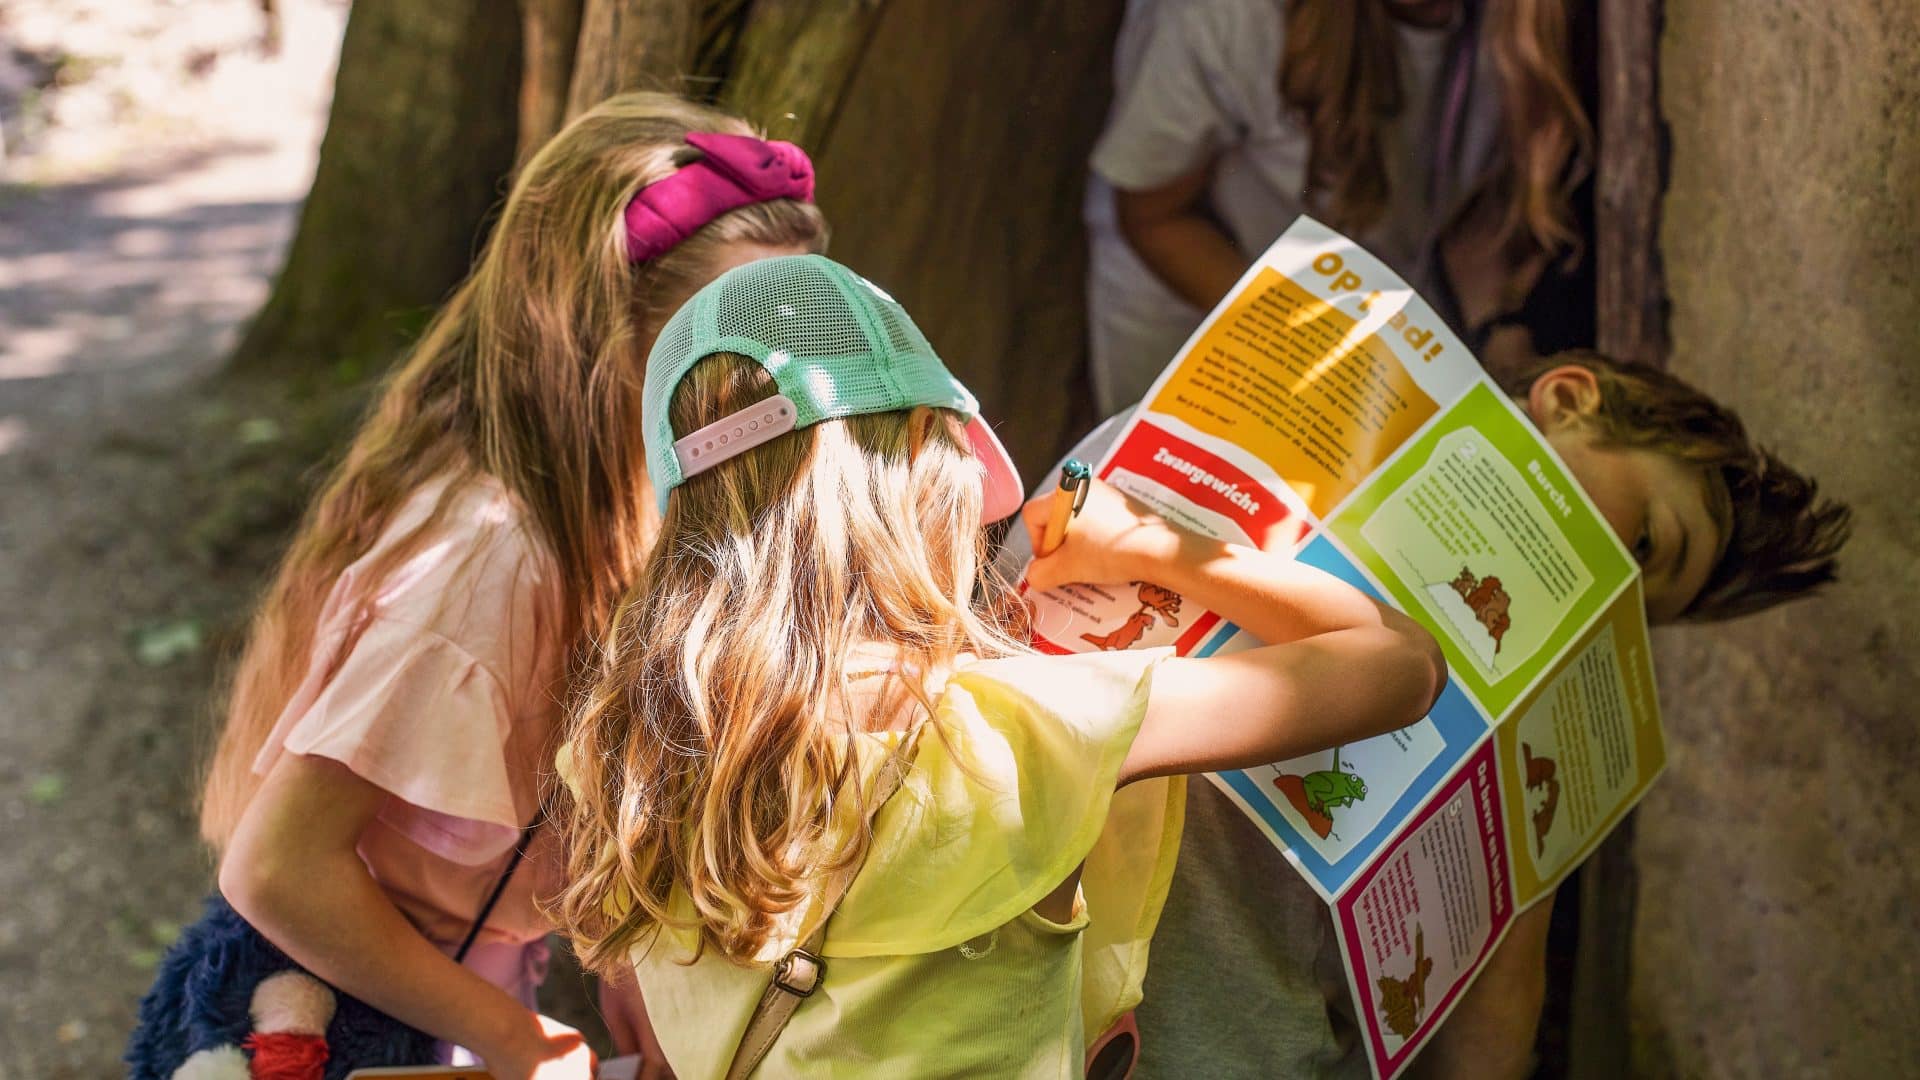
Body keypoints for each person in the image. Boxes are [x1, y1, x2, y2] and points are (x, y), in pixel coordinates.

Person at [549, 254, 1447, 1077]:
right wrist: (1151, 544)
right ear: (923, 457)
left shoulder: (625, 754)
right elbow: (1404, 664)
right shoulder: (1013, 733)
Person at [125, 93, 828, 1080]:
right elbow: (278, 869)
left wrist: (631, 981)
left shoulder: (619, 494)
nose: (784, 376)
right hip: (341, 1002)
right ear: (605, 340)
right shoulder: (492, 563)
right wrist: (515, 1037)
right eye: (737, 336)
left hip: (441, 978)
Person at [1005, 350, 1851, 1078]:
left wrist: (1534, 848)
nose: (1605, 594)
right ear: (1567, 400)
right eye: (1643, 545)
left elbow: (1489, 1034)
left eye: (1630, 613)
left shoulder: (1527, 720)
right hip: (1009, 945)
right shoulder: (1248, 445)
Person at [1085, 0, 1593, 415]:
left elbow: (1479, 205)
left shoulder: (1529, 29)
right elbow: (1153, 217)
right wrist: (1326, 356)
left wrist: (1500, 334)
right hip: (1204, 308)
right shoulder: (1222, 17)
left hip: (1372, 311)